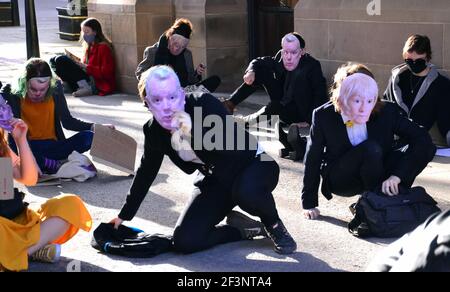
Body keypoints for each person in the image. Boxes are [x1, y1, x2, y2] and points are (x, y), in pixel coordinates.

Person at [110, 65, 297, 255]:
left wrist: (190, 130)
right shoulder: (153, 130)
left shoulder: (204, 104)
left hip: (253, 164)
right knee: (185, 241)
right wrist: (123, 215)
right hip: (215, 179)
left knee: (246, 193)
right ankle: (243, 229)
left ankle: (274, 226)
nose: (166, 106)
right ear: (147, 104)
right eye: (157, 100)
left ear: (182, 94)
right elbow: (146, 171)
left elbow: (231, 145)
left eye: (172, 96)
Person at [301, 71, 436, 220]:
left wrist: (398, 175)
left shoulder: (386, 110)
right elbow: (312, 158)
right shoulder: (323, 115)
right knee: (370, 148)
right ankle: (377, 202)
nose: (364, 106)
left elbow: (421, 137)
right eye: (356, 98)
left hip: (377, 172)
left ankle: (388, 198)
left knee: (426, 146)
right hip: (343, 178)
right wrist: (309, 203)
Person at [0, 94, 92, 272]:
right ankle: (26, 252)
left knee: (69, 205)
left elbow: (29, 179)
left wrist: (21, 140)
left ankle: (21, 253)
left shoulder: (1, 145)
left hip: (16, 222)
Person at [222, 32, 328, 161]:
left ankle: (245, 123)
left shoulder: (312, 66)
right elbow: (259, 61)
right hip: (282, 100)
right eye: (286, 52)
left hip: (299, 110)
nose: (288, 57)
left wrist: (310, 120)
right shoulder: (281, 56)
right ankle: (230, 103)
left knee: (274, 107)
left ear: (302, 52)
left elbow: (320, 94)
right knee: (260, 72)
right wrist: (251, 71)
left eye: (293, 52)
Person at [0, 58, 114, 175]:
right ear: (24, 83)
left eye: (43, 89)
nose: (38, 93)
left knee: (90, 137)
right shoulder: (10, 92)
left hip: (54, 145)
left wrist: (95, 126)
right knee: (10, 147)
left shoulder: (55, 88)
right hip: (26, 146)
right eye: (33, 89)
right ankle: (48, 163)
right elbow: (12, 133)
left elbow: (68, 122)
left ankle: (47, 163)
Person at [384, 34, 450, 147]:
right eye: (409, 60)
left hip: (418, 142)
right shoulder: (397, 79)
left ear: (428, 58)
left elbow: (446, 120)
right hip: (393, 141)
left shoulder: (441, 84)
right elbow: (386, 109)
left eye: (418, 61)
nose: (413, 64)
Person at [135, 18, 221, 93]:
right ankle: (194, 100)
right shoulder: (153, 51)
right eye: (176, 44)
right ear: (170, 38)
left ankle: (194, 100)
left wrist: (197, 73)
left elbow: (191, 80)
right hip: (163, 94)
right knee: (199, 100)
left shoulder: (187, 54)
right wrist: (160, 73)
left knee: (214, 81)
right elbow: (139, 73)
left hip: (185, 90)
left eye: (182, 47)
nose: (177, 49)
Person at [51, 17, 116, 97]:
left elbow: (106, 73)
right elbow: (85, 65)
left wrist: (85, 66)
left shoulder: (103, 47)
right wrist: (77, 62)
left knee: (61, 59)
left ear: (95, 32)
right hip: (85, 76)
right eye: (83, 32)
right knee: (53, 60)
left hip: (95, 82)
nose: (84, 35)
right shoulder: (88, 46)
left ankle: (87, 87)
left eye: (87, 32)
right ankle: (68, 85)